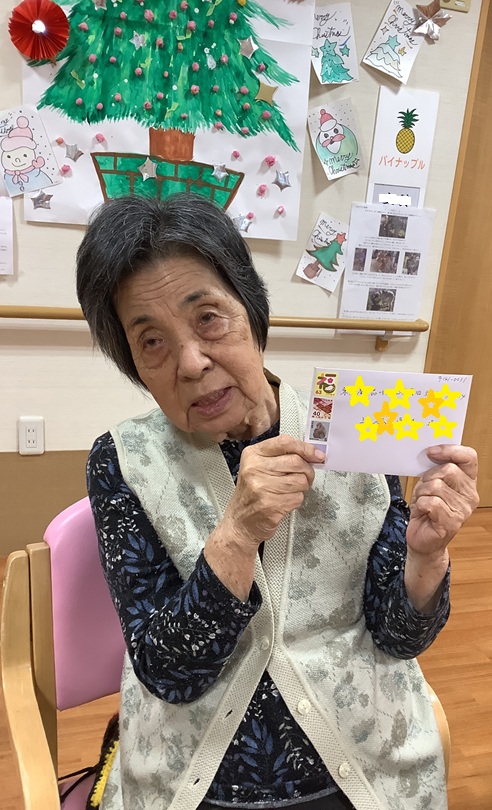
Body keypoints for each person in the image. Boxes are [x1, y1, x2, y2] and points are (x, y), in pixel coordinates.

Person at [76, 193, 479, 810]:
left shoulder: (352, 427)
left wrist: (426, 556)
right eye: (151, 341)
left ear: (252, 309)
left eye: (209, 318)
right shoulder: (123, 462)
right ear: (133, 364)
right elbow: (168, 672)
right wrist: (235, 537)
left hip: (361, 763)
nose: (192, 362)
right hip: (202, 779)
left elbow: (399, 635)